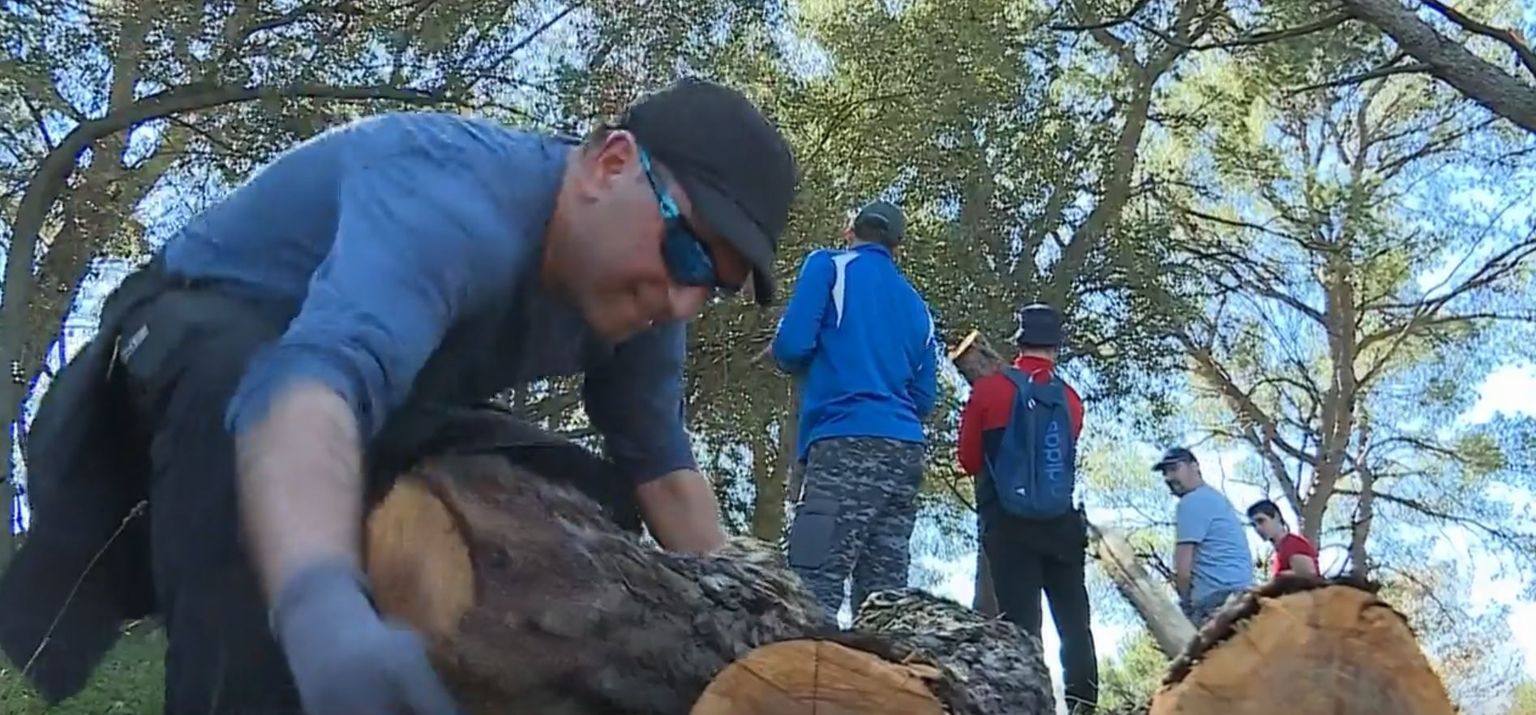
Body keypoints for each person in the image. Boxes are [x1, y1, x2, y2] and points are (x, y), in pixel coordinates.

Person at [0, 78, 798, 715]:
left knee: (577, 488)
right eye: (689, 252)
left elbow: (663, 471)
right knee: (237, 379)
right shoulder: (452, 199)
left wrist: (763, 641)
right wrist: (319, 609)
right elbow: (313, 386)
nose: (685, 298)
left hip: (363, 396)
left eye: (714, 286)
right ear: (610, 166)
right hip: (192, 349)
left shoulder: (646, 302)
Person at [772, 200, 938, 622]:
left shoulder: (828, 267)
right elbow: (923, 399)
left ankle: (803, 666)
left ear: (851, 231)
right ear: (897, 246)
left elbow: (791, 347)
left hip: (842, 441)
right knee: (883, 603)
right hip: (904, 452)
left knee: (810, 589)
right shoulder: (918, 306)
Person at [956, 303, 1098, 714]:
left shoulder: (988, 391)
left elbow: (968, 460)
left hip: (1007, 525)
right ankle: (1083, 706)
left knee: (1021, 627)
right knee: (1074, 625)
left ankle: (1029, 707)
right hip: (1061, 526)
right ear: (1055, 347)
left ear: (1019, 343)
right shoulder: (1070, 401)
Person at [1154, 447, 1255, 627]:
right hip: (1244, 597)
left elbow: (1183, 569)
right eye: (1165, 473)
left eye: (1174, 469)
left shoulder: (1191, 502)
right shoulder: (1216, 498)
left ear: (1195, 466)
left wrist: (1186, 602)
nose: (1168, 477)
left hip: (1216, 603)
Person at [1247, 499, 1320, 578]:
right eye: (1254, 525)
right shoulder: (1278, 553)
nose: (1257, 528)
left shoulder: (1293, 544)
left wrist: (1277, 581)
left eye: (1261, 521)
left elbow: (1308, 575)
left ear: (1276, 517)